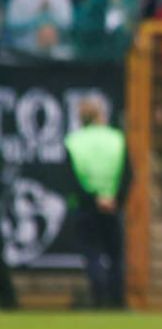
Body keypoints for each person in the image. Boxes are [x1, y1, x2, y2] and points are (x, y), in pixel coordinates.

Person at [64, 98, 132, 309]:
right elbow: (128, 174)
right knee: (115, 256)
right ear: (100, 115)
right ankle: (117, 302)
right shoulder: (117, 139)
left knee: (92, 255)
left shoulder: (73, 142)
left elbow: (70, 179)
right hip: (112, 207)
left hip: (86, 209)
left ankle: (99, 300)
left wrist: (93, 200)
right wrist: (115, 200)